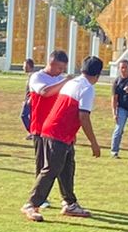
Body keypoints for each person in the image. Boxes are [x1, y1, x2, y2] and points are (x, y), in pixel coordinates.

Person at [22, 55, 101, 221]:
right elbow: (83, 117)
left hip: (57, 131)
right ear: (97, 76)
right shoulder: (87, 88)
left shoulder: (72, 82)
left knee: (67, 168)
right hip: (57, 133)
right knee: (51, 169)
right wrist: (94, 143)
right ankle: (32, 204)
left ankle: (70, 203)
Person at [25, 50, 68, 178]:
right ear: (51, 63)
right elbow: (44, 92)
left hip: (56, 128)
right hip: (40, 127)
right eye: (59, 67)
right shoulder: (37, 77)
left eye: (63, 68)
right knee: (41, 164)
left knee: (58, 164)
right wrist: (64, 82)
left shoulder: (60, 79)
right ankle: (38, 197)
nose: (61, 71)